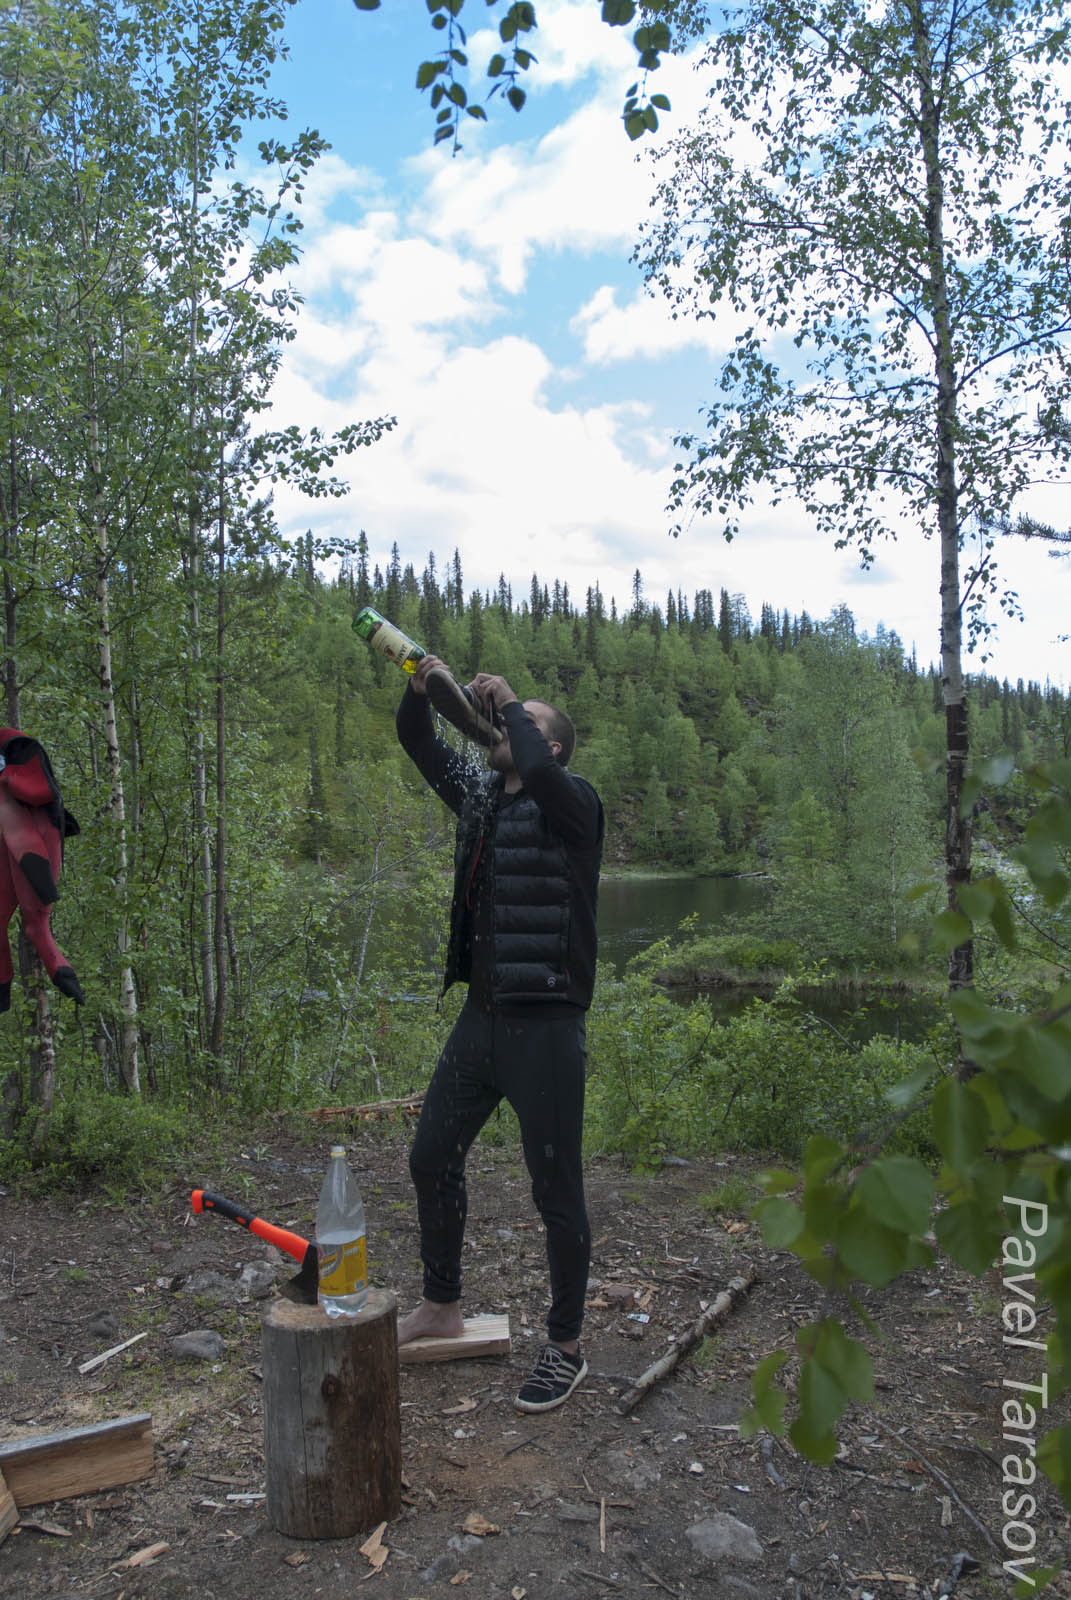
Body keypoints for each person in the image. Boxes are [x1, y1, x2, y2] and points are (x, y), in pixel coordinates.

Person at [395, 656, 605, 1412]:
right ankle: (442, 1304)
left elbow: (548, 781)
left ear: (548, 745)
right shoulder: (483, 799)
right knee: (429, 1158)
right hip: (481, 1020)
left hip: (546, 1028)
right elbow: (419, 748)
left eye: (525, 723)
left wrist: (512, 698)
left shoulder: (573, 802)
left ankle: (566, 1347)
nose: (503, 725)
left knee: (555, 1191)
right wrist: (418, 693)